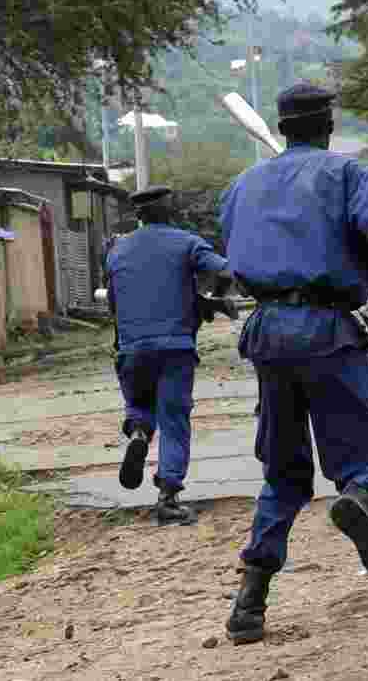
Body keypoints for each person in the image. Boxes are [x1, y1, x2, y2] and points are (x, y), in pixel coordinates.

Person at [219, 82, 368, 645]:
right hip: (325, 330)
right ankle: (359, 500)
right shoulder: (347, 174)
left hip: (266, 332)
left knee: (283, 473)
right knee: (364, 442)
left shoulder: (242, 186)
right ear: (328, 124)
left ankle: (250, 602)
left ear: (283, 126)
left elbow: (250, 255)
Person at [105, 185, 233, 525]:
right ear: (170, 210)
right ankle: (168, 496)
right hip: (175, 348)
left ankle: (139, 434)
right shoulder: (186, 242)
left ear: (139, 216)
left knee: (140, 406)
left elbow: (114, 304)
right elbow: (225, 270)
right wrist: (213, 299)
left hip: (131, 349)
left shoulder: (117, 250)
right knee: (174, 419)